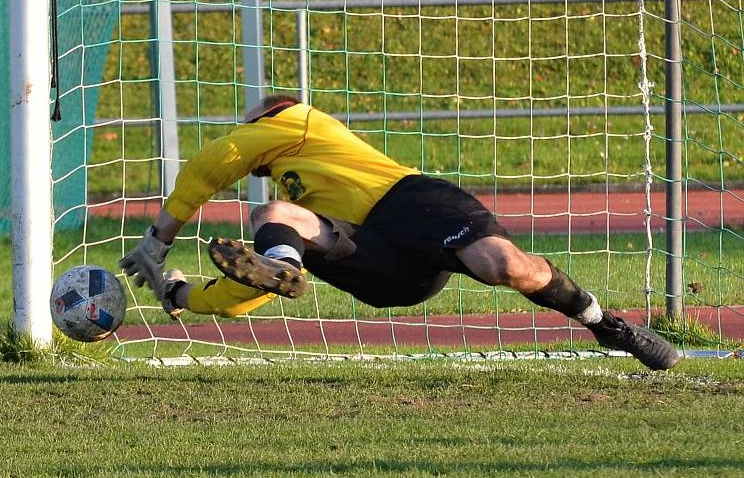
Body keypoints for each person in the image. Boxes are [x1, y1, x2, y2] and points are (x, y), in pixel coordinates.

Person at [120, 95, 680, 370]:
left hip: (410, 202)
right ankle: (288, 266)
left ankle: (607, 326)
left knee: (508, 267)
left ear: (272, 118)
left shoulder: (298, 122)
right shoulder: (298, 197)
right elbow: (246, 290)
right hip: (379, 264)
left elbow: (214, 163)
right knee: (273, 219)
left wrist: (159, 238)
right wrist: (179, 293)